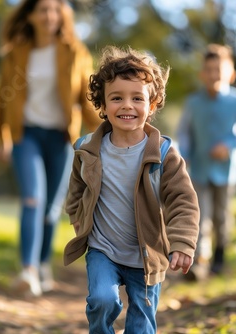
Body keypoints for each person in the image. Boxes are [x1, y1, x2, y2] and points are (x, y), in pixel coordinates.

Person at [63, 45, 200, 333]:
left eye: (137, 98)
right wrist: (77, 217)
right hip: (103, 248)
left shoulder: (163, 153)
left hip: (147, 254)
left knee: (141, 325)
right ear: (102, 104)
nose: (127, 105)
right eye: (116, 98)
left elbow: (183, 201)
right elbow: (76, 187)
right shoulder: (87, 149)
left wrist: (183, 242)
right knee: (102, 301)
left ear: (151, 105)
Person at [0, 0, 102, 297]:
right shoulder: (16, 53)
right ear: (30, 15)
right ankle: (27, 270)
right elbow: (2, 98)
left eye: (56, 9)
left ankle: (42, 265)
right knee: (32, 198)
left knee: (51, 210)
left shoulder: (74, 52)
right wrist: (2, 136)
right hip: (24, 136)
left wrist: (109, 127)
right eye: (43, 9)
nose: (50, 15)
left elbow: (86, 97)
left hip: (60, 138)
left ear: (62, 15)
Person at [177, 44, 236, 278]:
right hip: (199, 168)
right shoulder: (193, 103)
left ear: (231, 73)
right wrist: (184, 152)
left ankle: (219, 257)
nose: (214, 75)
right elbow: (184, 131)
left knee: (222, 216)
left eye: (219, 70)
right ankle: (198, 263)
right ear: (202, 73)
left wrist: (231, 146)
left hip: (227, 169)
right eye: (209, 70)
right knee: (199, 215)